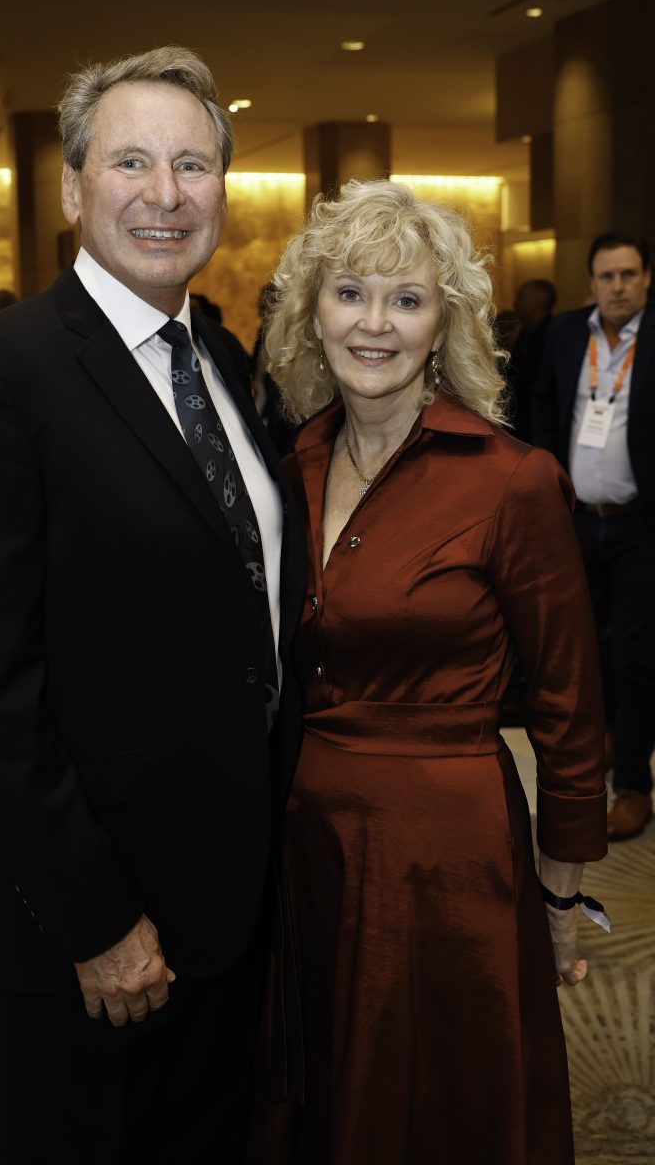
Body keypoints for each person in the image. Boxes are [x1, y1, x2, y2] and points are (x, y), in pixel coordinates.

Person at [0, 46, 305, 1165]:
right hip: (93, 919)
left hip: (231, 895)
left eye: (193, 164)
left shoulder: (218, 352)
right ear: (73, 188)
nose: (165, 193)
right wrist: (95, 920)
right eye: (130, 162)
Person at [263, 179, 608, 1165]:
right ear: (312, 314)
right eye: (349, 293)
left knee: (449, 1102)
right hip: (305, 845)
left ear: (443, 324)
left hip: (449, 857)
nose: (373, 323)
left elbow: (569, 707)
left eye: (405, 299)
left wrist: (559, 895)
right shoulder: (289, 466)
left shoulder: (510, 480)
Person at [532, 233, 655, 841]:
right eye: (607, 276)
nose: (618, 287)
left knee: (635, 654)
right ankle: (603, 742)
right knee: (584, 647)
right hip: (577, 520)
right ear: (591, 283)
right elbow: (541, 410)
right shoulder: (562, 334)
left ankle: (633, 784)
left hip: (639, 525)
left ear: (647, 278)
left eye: (629, 274)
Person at [505, 277, 557, 442]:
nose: (514, 303)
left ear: (537, 302)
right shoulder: (524, 332)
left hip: (539, 424)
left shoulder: (553, 334)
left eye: (520, 298)